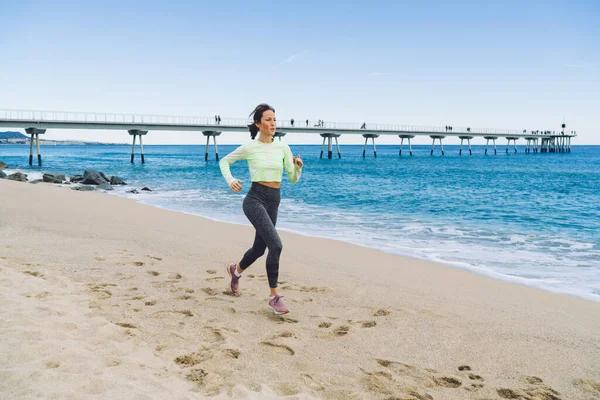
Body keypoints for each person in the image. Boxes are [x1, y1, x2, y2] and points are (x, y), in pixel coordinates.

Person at [219, 103, 303, 315]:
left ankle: (235, 272)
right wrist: (230, 181)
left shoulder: (283, 147)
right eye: (268, 119)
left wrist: (298, 168)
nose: (273, 123)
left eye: (274, 119)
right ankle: (274, 297)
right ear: (258, 123)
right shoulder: (250, 147)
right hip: (254, 199)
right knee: (276, 245)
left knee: (259, 249)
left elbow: (292, 179)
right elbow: (224, 161)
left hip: (274, 200)